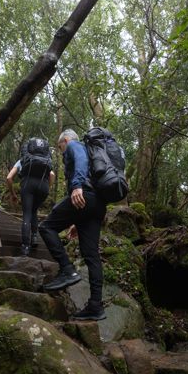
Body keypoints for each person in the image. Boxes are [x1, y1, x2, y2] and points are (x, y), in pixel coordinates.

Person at [39, 129, 107, 321]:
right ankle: (96, 306)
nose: (61, 151)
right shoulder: (94, 156)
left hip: (83, 195)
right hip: (96, 205)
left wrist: (76, 185)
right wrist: (78, 221)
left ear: (65, 140)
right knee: (92, 255)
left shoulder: (75, 145)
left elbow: (80, 161)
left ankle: (67, 270)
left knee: (46, 227)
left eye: (60, 147)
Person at [6, 138, 55, 256]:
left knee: (27, 213)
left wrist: (13, 194)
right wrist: (48, 187)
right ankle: (34, 237)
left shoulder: (23, 159)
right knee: (34, 210)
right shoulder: (45, 160)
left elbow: (9, 178)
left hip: (28, 185)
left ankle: (25, 247)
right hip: (43, 186)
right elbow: (52, 174)